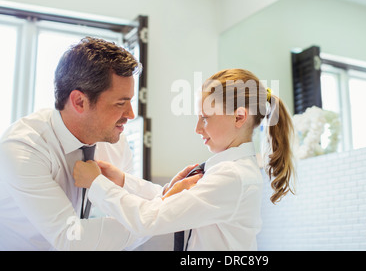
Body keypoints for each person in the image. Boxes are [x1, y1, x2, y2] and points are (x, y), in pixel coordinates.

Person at [0, 37, 197, 251]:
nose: (131, 115)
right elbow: (72, 239)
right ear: (79, 102)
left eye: (130, 101)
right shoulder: (23, 149)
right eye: (121, 103)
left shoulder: (114, 141)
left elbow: (125, 212)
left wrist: (163, 196)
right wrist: (159, 213)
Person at [73, 68, 295, 250]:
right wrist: (123, 180)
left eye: (205, 118)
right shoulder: (225, 171)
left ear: (239, 117)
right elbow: (169, 200)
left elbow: (148, 220)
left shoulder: (232, 177)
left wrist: (96, 184)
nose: (197, 128)